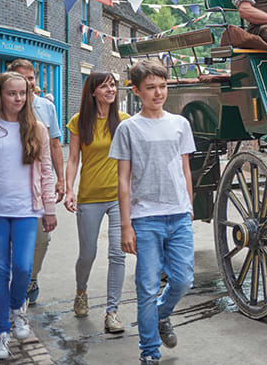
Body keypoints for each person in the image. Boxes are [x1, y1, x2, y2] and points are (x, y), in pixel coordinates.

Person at [109, 59, 196, 365]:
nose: (158, 93)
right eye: (151, 88)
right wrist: (125, 225)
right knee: (145, 287)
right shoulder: (128, 129)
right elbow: (122, 178)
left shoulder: (180, 124)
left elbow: (185, 169)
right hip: (144, 218)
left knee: (184, 280)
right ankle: (150, 354)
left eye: (162, 86)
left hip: (178, 214)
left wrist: (189, 206)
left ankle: (161, 315)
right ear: (136, 91)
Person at [0, 72, 57, 360]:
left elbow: (46, 172)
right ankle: (2, 333)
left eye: (23, 93)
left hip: (26, 209)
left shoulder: (37, 129)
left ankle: (17, 308)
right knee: (0, 271)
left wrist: (49, 209)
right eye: (12, 93)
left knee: (22, 268)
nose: (18, 98)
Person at [64, 72, 130, 333]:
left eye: (113, 85)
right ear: (93, 92)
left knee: (117, 252)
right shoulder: (79, 122)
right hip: (90, 197)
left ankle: (112, 312)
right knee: (88, 254)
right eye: (105, 86)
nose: (111, 90)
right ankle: (81, 290)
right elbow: (72, 160)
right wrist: (69, 188)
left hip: (118, 198)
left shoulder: (124, 121)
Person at [7, 59, 64, 306]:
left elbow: (55, 144)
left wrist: (61, 179)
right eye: (23, 78)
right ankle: (15, 291)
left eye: (31, 78)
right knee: (12, 244)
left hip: (40, 186)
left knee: (42, 240)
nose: (29, 83)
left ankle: (31, 277)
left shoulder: (46, 107)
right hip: (10, 188)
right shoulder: (3, 107)